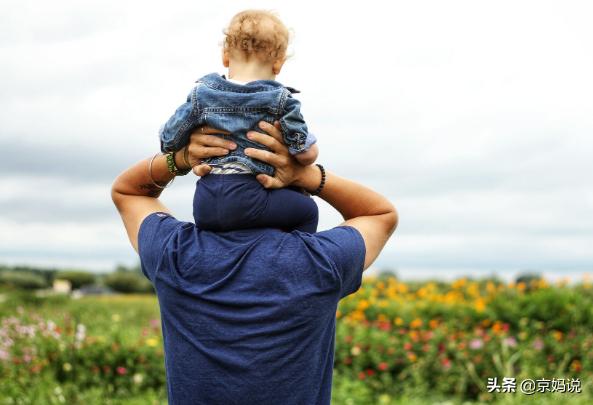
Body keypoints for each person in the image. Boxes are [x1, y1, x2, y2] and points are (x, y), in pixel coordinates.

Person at [111, 121, 398, 404]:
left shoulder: (174, 254)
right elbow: (379, 214)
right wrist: (307, 176)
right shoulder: (320, 262)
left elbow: (128, 192)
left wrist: (180, 159)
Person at [159, 10, 320, 233]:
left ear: (225, 56)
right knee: (307, 210)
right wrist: (308, 150)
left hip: (205, 201)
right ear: (278, 64)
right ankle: (296, 261)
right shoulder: (281, 100)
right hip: (251, 197)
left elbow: (169, 140)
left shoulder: (201, 94)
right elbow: (304, 154)